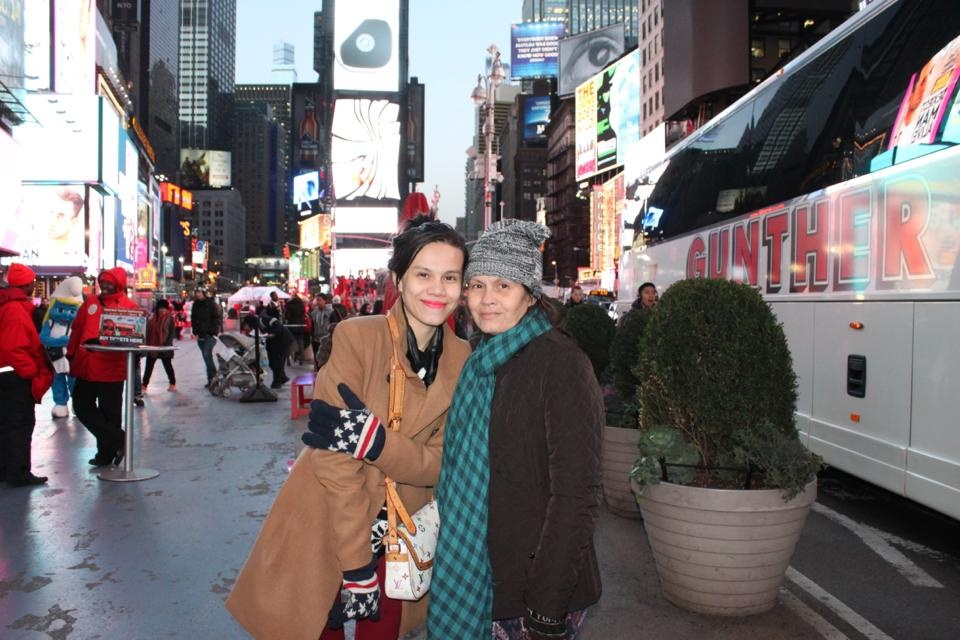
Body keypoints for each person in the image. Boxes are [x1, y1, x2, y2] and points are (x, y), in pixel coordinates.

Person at [226, 217, 471, 639]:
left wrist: (375, 442)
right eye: (423, 274)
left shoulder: (463, 358)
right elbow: (336, 465)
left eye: (450, 277)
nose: (437, 289)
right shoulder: (357, 338)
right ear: (399, 279)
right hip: (331, 521)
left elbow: (443, 464)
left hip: (403, 533)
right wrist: (357, 568)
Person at [428, 219, 604, 639]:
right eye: (477, 285)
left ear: (529, 294)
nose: (487, 299)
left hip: (533, 594)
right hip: (478, 575)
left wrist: (546, 609)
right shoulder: (477, 359)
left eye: (503, 286)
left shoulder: (561, 363)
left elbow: (576, 495)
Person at [67, 267, 140, 468]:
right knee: (81, 406)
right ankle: (118, 439)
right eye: (103, 282)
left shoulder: (130, 307)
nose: (105, 286)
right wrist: (71, 353)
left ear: (119, 285)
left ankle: (106, 454)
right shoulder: (91, 302)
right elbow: (77, 329)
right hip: (87, 365)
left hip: (112, 369)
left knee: (110, 413)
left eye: (110, 283)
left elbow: (135, 338)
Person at [0, 264, 55, 487]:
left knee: (6, 424)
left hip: (7, 375)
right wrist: (31, 372)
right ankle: (18, 473)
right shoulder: (16, 310)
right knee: (20, 425)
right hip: (15, 378)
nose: (34, 285)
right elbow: (13, 348)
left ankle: (6, 470)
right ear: (26, 285)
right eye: (32, 282)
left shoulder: (9, 305)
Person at [39, 277, 83, 418]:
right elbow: (42, 338)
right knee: (57, 381)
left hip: (71, 360)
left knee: (74, 382)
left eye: (71, 312)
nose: (65, 314)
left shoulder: (77, 326)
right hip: (54, 358)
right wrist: (60, 341)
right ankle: (60, 403)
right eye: (60, 309)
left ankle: (78, 404)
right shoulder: (50, 323)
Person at [142, 299, 177, 392]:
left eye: (164, 308)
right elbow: (148, 330)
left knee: (167, 366)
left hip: (164, 346)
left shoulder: (170, 319)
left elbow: (171, 333)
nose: (162, 310)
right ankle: (144, 385)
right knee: (149, 367)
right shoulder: (152, 318)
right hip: (153, 346)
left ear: (167, 309)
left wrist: (166, 346)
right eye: (160, 308)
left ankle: (172, 383)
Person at [190, 288, 220, 387]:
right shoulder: (195, 305)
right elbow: (193, 319)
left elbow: (216, 318)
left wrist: (213, 331)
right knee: (206, 356)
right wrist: (195, 332)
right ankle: (211, 379)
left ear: (203, 293)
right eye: (196, 292)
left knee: (207, 354)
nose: (198, 294)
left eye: (199, 292)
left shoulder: (211, 304)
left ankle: (214, 378)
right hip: (200, 334)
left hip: (210, 334)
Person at [259, 308, 293, 388]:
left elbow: (277, 330)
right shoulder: (261, 321)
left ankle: (277, 381)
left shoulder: (265, 319)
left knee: (277, 361)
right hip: (276, 340)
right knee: (274, 361)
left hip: (282, 340)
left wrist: (269, 335)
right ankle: (282, 377)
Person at [283, 293, 308, 364]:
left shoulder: (289, 304)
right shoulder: (301, 304)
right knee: (300, 342)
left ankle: (288, 360)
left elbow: (287, 316)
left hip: (291, 326)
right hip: (300, 325)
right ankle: (301, 359)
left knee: (289, 343)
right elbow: (303, 314)